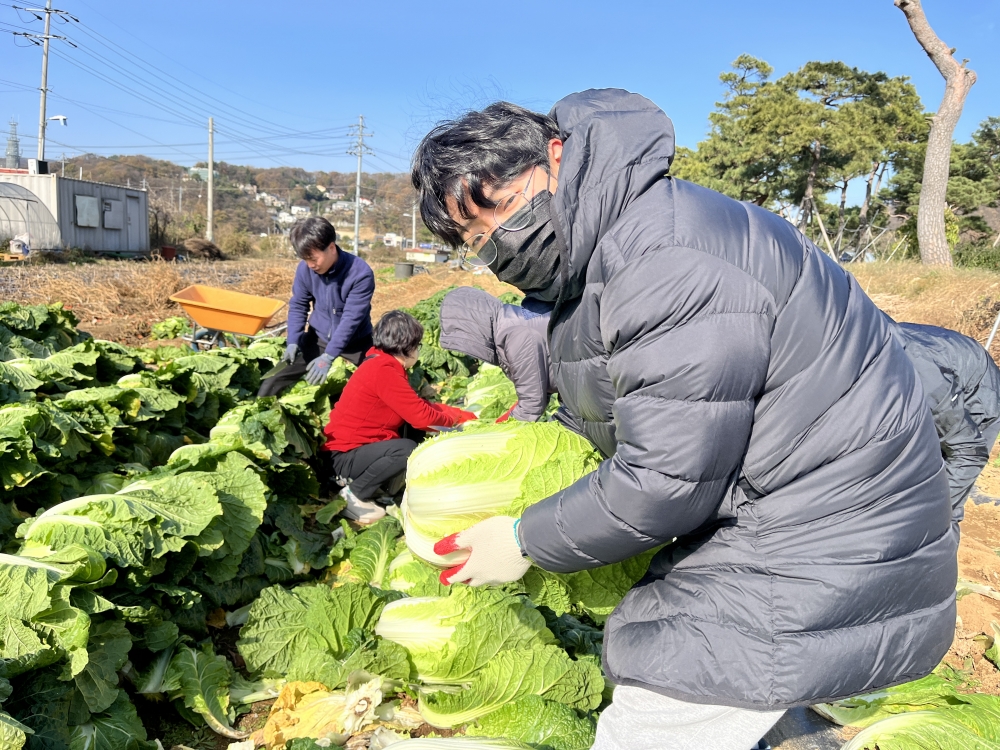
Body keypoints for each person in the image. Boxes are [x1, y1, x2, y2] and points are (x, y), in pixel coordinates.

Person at [413, 89, 955, 750]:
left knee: (663, 693)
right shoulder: (607, 259)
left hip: (821, 539)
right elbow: (611, 430)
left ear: (555, 156)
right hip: (793, 517)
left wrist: (526, 536)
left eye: (495, 213)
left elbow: (666, 479)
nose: (495, 245)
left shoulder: (664, 256)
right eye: (475, 241)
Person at [321, 310, 476, 523]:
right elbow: (422, 417)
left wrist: (458, 415)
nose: (418, 351)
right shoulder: (383, 370)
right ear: (407, 348)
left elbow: (417, 407)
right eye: (417, 346)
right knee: (405, 450)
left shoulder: (379, 361)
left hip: (357, 449)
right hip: (343, 457)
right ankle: (354, 494)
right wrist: (457, 420)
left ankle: (383, 486)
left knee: (410, 433)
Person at [895, 321, 1000, 526]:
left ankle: (938, 542)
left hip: (976, 392)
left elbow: (968, 453)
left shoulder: (926, 380)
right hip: (935, 357)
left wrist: (927, 520)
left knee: (941, 498)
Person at [259, 216, 375, 397]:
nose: (310, 265)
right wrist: (293, 341)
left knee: (380, 383)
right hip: (318, 338)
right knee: (271, 384)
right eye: (305, 259)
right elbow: (299, 305)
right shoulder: (305, 270)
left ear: (331, 247)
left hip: (356, 341)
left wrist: (329, 356)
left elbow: (351, 320)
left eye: (313, 258)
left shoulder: (360, 273)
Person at [439, 286, 553, 422]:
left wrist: (501, 431)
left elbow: (532, 405)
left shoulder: (515, 336)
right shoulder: (507, 327)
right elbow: (539, 391)